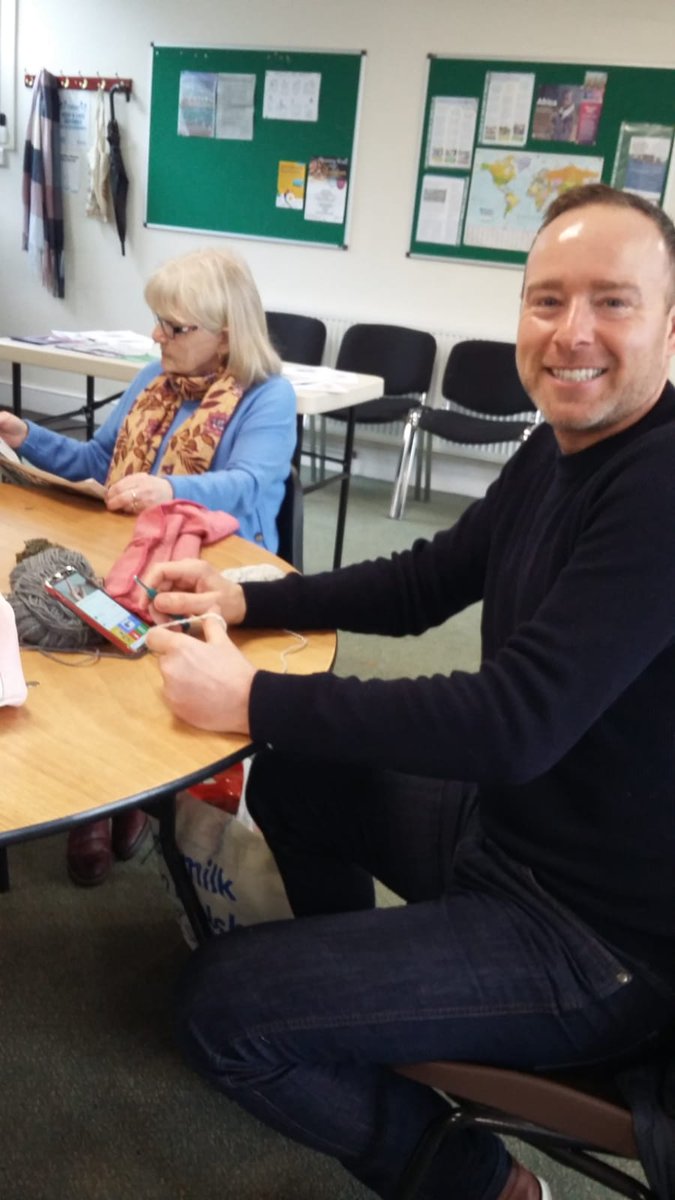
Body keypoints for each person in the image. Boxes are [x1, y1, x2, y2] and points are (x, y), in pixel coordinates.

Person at [143, 184, 675, 1200]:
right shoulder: (567, 445)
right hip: (515, 839)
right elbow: (428, 578)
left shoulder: (659, 486)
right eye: (547, 299)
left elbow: (512, 722)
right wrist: (252, 600)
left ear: (670, 324)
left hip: (596, 940)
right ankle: (355, 1001)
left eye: (613, 301)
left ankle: (482, 1185)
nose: (572, 334)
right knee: (298, 773)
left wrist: (252, 700)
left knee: (221, 1010)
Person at [0, 246, 296, 887]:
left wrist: (171, 490)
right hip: (132, 548)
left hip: (216, 569)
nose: (157, 335)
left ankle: (125, 796)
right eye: (158, 321)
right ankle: (109, 795)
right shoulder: (153, 379)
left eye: (175, 326)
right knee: (71, 625)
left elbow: (250, 484)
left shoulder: (267, 397)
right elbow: (99, 461)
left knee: (127, 644)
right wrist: (25, 435)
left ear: (227, 333)